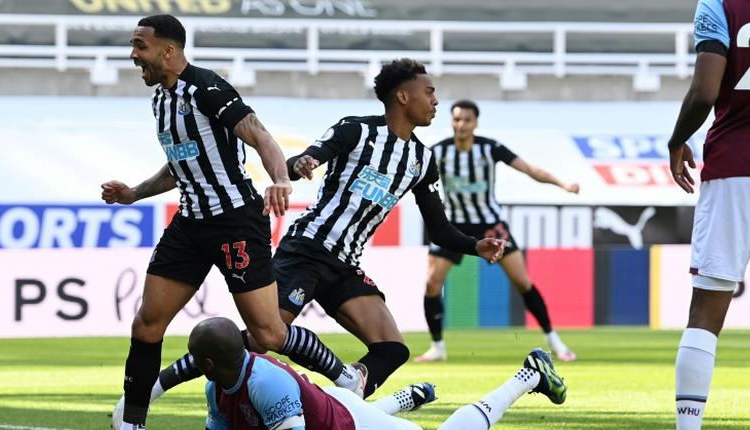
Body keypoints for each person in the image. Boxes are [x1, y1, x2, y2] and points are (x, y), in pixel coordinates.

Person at [145, 58, 506, 406]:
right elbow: (304, 159)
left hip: (345, 265)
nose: (436, 101)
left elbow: (440, 230)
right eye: (429, 92)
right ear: (403, 96)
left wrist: (477, 246)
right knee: (260, 338)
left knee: (392, 348)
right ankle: (161, 382)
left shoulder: (422, 162)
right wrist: (303, 164)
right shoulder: (356, 130)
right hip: (307, 250)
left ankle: (342, 400)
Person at [105, 15, 362, 430]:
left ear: (168, 51)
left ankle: (345, 377)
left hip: (236, 222)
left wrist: (280, 179)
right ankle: (132, 421)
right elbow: (178, 166)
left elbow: (260, 135)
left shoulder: (208, 88)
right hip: (189, 224)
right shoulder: (161, 101)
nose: (134, 55)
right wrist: (135, 193)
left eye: (140, 46)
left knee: (268, 335)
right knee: (147, 322)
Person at [415, 100, 579, 364]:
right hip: (454, 225)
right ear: (451, 122)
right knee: (433, 282)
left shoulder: (490, 148)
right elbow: (410, 175)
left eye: (467, 120)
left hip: (491, 225)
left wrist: (563, 184)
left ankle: (555, 341)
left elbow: (530, 170)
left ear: (475, 123)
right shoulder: (438, 152)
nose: (461, 125)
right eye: (457, 120)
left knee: (522, 282)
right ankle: (437, 347)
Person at [667, 1, 750, 429]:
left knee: (706, 314)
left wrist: (677, 140)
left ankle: (688, 428)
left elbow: (705, 92)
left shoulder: (720, 4)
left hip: (734, 171)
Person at [190, 317, 567, 430]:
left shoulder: (264, 382)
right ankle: (401, 400)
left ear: (209, 364)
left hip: (345, 421)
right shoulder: (217, 390)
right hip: (329, 405)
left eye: (194, 358)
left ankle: (530, 375)